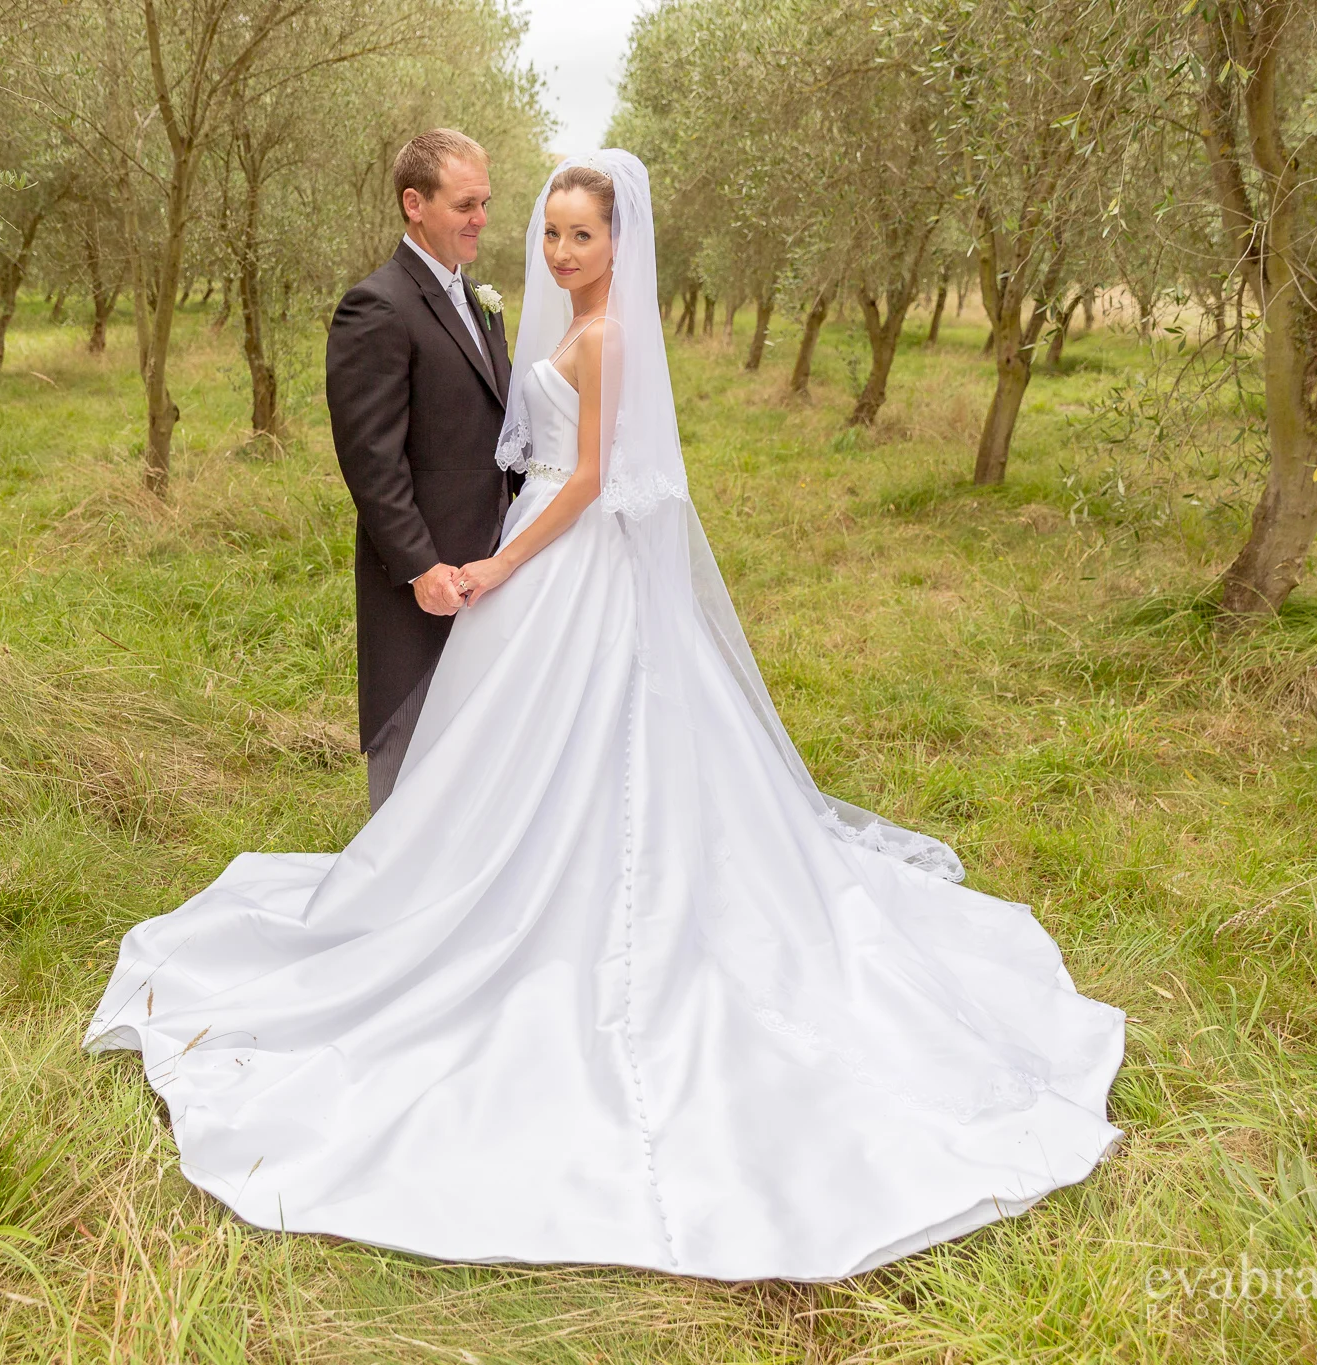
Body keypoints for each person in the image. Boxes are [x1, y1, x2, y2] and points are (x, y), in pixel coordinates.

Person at [85, 151, 1126, 1282]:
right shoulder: (507, 316)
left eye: (579, 233)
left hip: (561, 557)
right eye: (548, 230)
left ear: (620, 242)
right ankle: (483, 884)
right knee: (511, 744)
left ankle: (574, 913)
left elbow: (585, 481)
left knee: (599, 744)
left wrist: (499, 563)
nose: (557, 248)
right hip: (532, 557)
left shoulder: (609, 337)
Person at [324, 128, 515, 812]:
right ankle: (392, 879)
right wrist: (419, 568)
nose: (481, 218)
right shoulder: (376, 306)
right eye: (465, 204)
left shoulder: (480, 301)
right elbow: (371, 459)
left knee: (475, 760)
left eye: (485, 203)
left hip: (487, 572)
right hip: (422, 586)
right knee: (410, 760)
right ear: (415, 203)